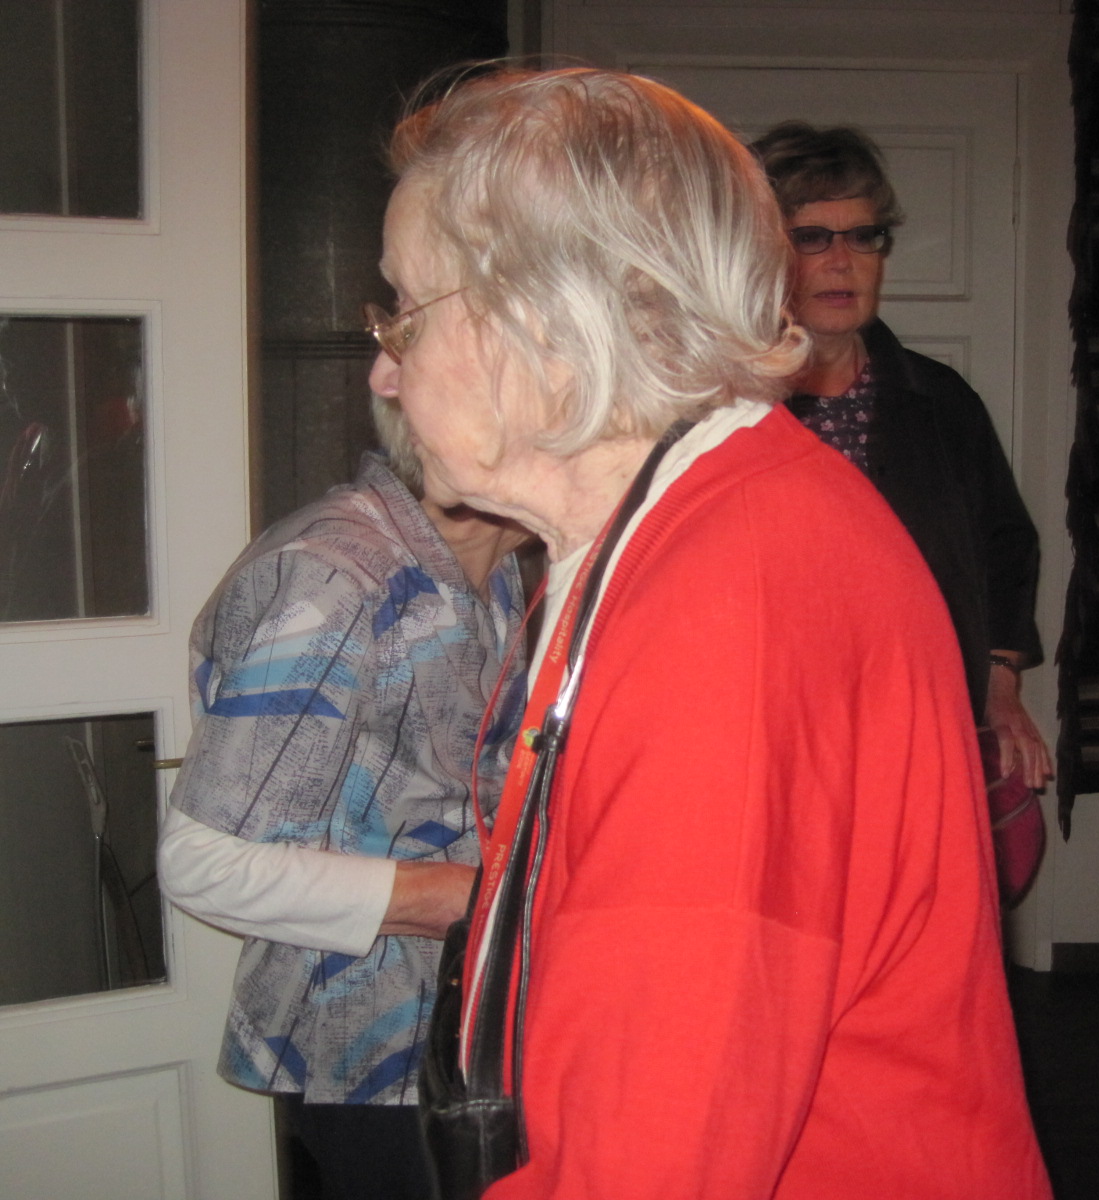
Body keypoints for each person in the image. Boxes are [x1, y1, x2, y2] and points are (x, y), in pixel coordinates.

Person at [367, 67, 1051, 1199]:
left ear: (548, 320)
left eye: (403, 309)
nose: (386, 370)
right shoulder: (696, 527)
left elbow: (654, 1161)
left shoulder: (724, 605)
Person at [158, 396, 529, 1200]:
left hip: (467, 1022)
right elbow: (203, 863)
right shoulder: (336, 576)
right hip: (367, 1054)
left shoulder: (494, 566)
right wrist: (463, 898)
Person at [747, 121, 1051, 792]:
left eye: (863, 236)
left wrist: (1000, 691)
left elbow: (1006, 548)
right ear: (759, 251)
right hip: (769, 740)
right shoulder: (722, 411)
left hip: (919, 731)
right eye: (811, 237)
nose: (842, 260)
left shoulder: (941, 403)